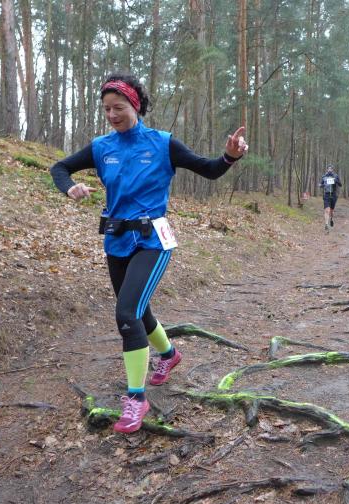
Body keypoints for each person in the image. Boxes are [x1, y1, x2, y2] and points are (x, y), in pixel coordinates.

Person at [51, 72, 248, 433]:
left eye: (119, 107)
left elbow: (209, 170)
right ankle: (169, 355)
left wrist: (229, 157)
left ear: (135, 106)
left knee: (127, 314)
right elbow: (59, 167)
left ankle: (136, 399)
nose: (112, 115)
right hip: (116, 239)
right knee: (139, 311)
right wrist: (70, 187)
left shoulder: (162, 143)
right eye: (107, 109)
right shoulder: (101, 147)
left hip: (153, 240)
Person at [319, 165, 342, 232]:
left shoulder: (335, 176)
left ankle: (331, 219)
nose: (329, 170)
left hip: (333, 195)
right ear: (327, 169)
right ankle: (326, 224)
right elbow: (321, 184)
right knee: (327, 210)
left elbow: (340, 185)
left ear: (332, 170)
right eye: (328, 169)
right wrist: (321, 185)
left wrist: (336, 181)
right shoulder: (324, 176)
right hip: (326, 195)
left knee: (331, 211)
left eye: (331, 169)